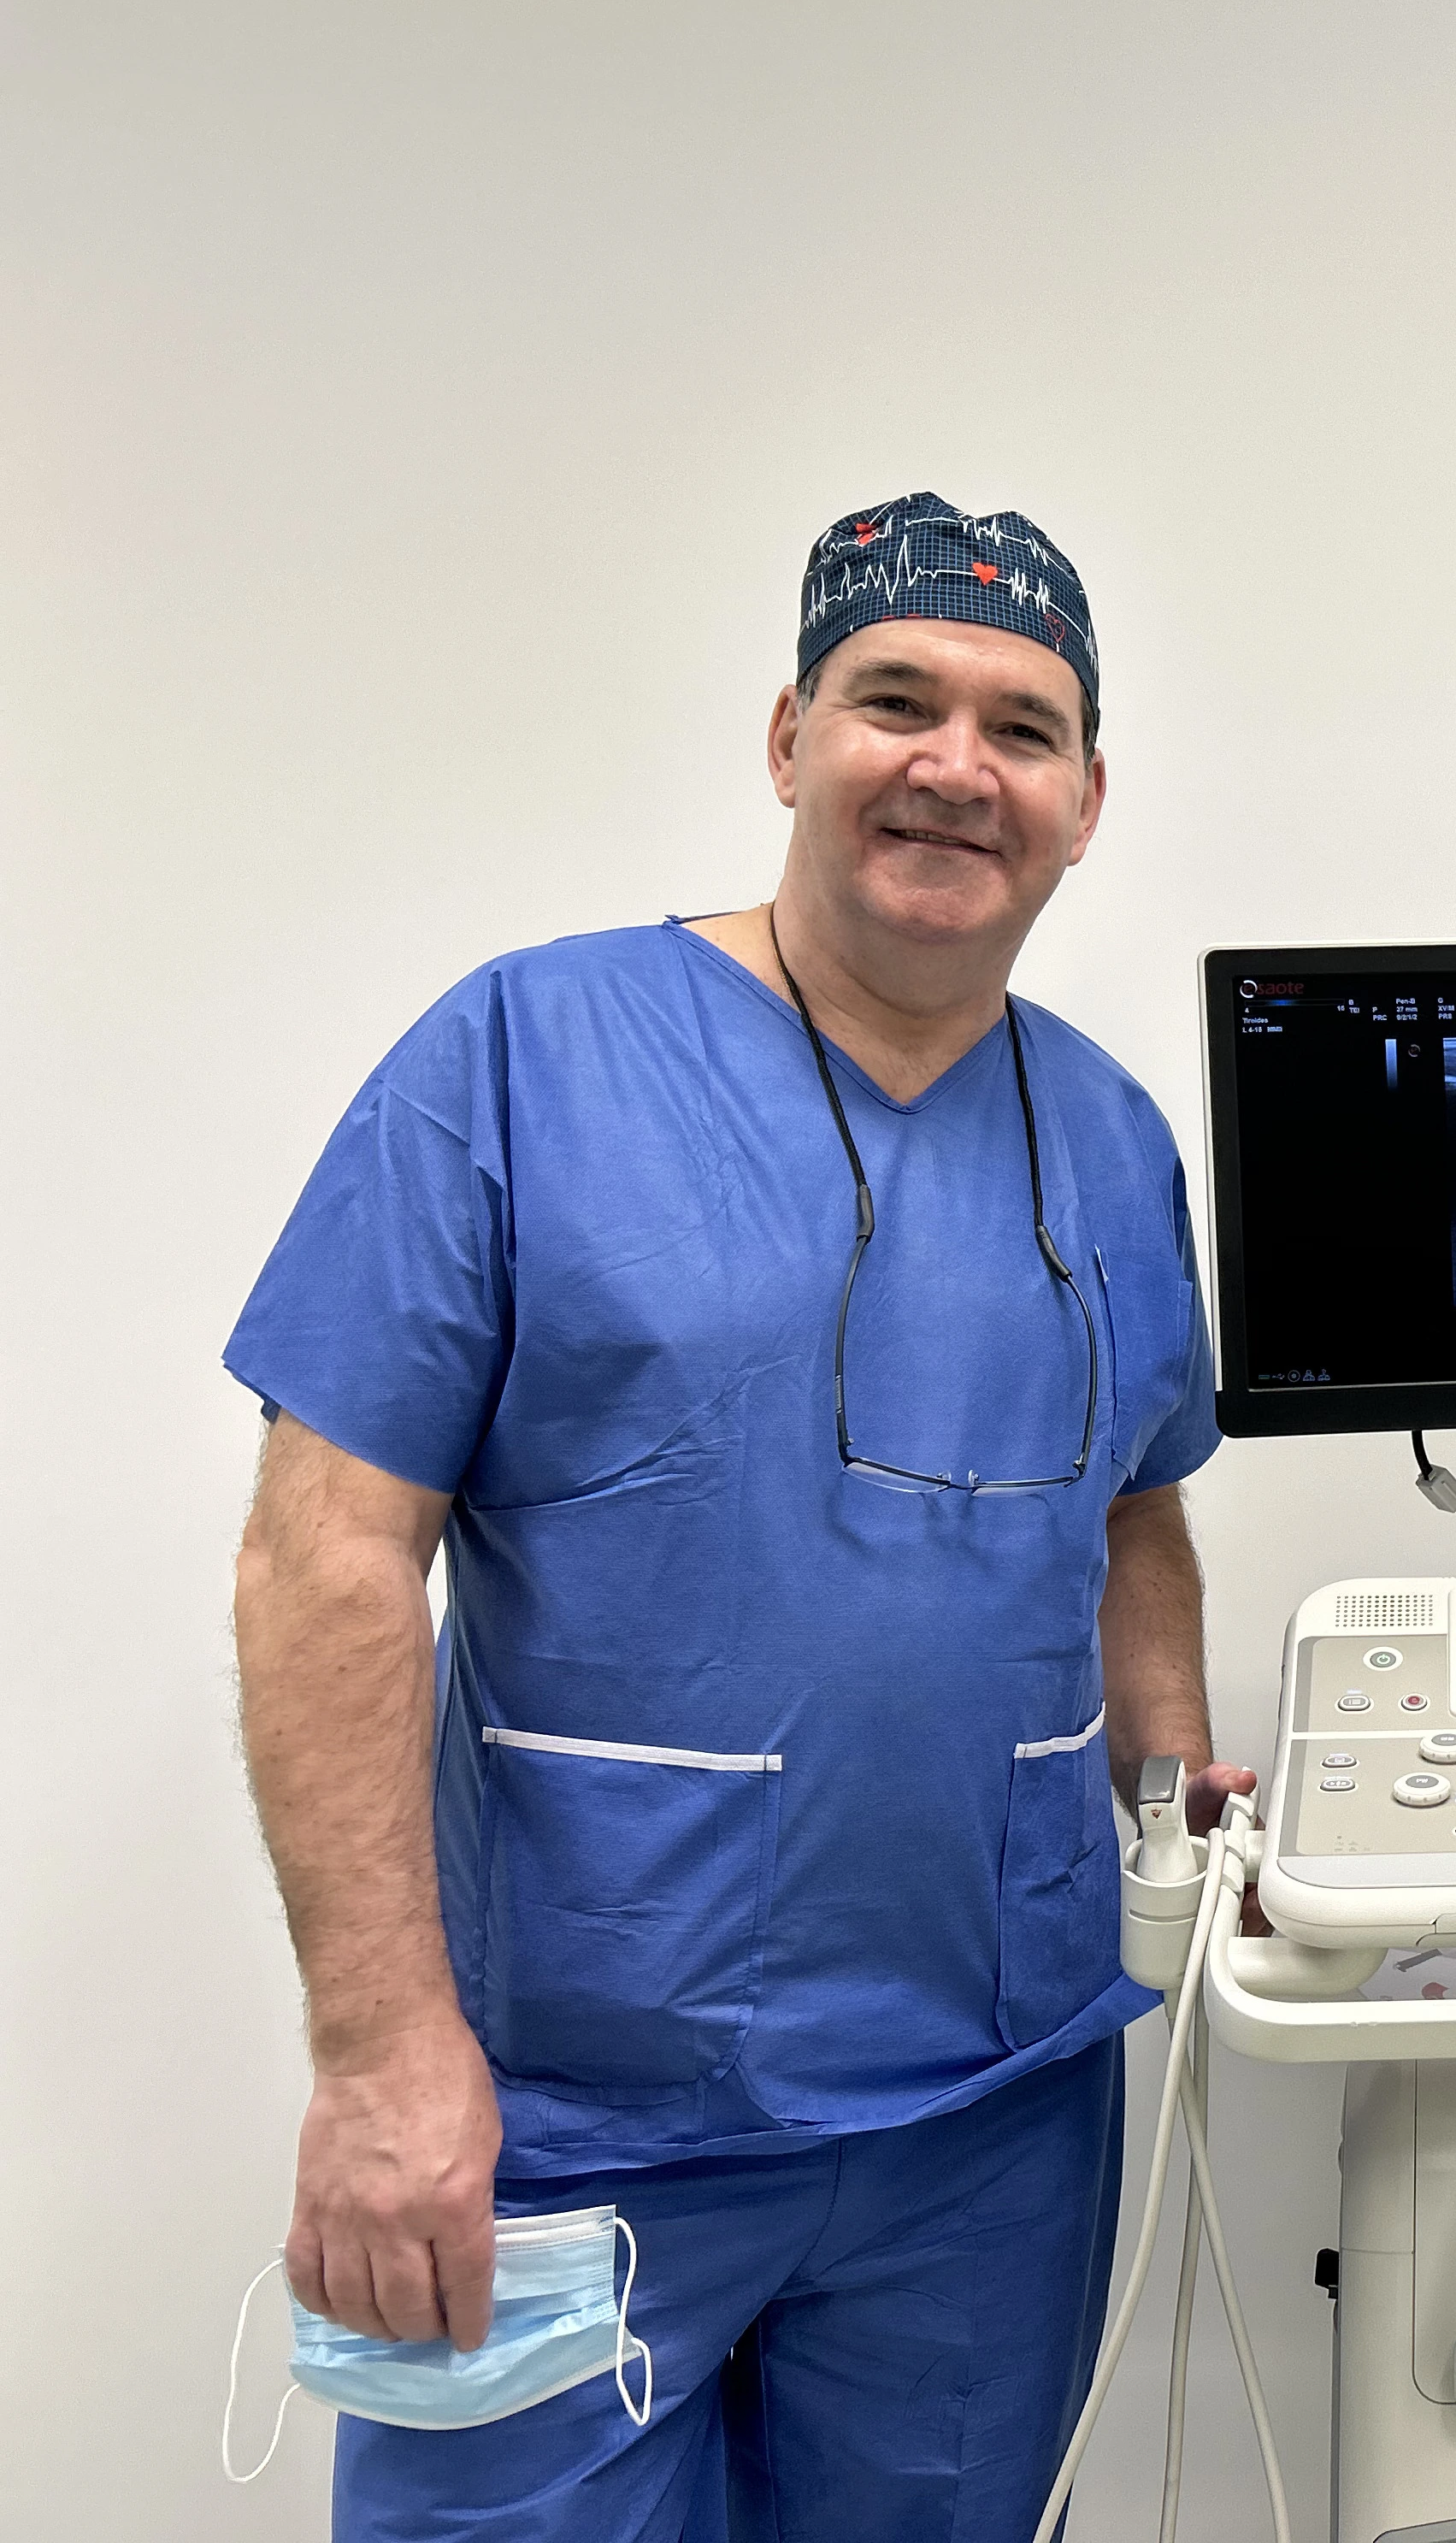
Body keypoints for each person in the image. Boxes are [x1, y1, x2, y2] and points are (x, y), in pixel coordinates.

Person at [227, 493, 1244, 2539]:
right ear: (790, 740)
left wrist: (1166, 1784)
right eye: (898, 701)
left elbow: (1138, 1502)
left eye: (1022, 730)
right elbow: (323, 1557)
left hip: (993, 2109)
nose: (959, 767)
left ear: (1087, 799)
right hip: (566, 2117)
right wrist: (378, 2053)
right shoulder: (522, 1055)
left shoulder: (1115, 1135)